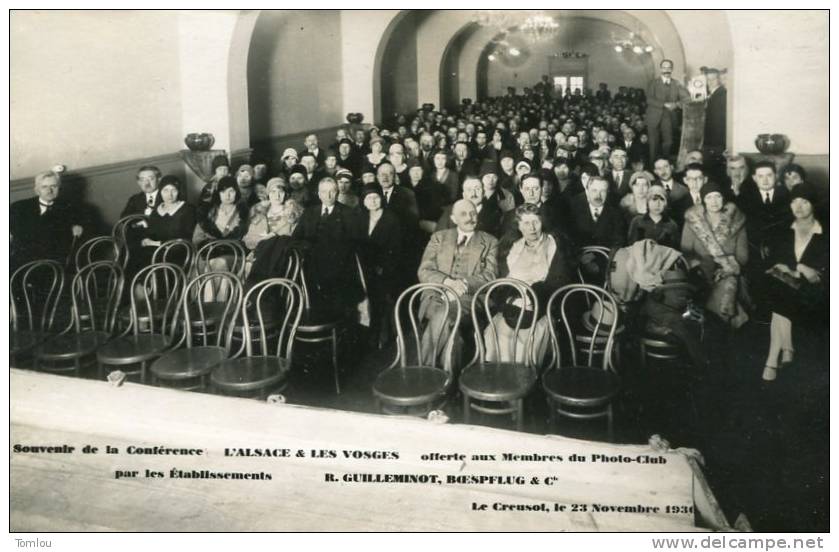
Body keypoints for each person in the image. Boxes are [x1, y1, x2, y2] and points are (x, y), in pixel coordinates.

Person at [484, 204, 575, 365]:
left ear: (542, 222)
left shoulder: (556, 245)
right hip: (512, 307)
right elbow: (501, 284)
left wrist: (533, 298)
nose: (532, 228)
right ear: (518, 226)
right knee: (499, 334)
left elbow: (560, 281)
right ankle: (504, 382)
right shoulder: (511, 247)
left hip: (541, 307)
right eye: (526, 223)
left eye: (536, 222)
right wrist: (512, 299)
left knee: (527, 341)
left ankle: (524, 382)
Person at [417, 199, 498, 368]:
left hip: (470, 297)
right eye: (463, 214)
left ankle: (423, 371)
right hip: (437, 295)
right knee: (455, 336)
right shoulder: (439, 237)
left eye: (473, 213)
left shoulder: (490, 241)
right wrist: (447, 282)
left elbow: (490, 275)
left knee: (445, 316)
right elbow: (424, 270)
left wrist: (463, 284)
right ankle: (450, 383)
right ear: (453, 219)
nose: (470, 218)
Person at [760, 184, 828, 381]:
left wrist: (800, 269)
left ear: (813, 205)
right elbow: (778, 261)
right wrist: (792, 269)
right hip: (789, 286)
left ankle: (775, 357)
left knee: (780, 297)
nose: (799, 207)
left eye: (805, 202)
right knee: (780, 290)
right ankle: (783, 352)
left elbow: (823, 273)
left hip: (817, 291)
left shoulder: (827, 232)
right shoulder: (784, 230)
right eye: (794, 202)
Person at [292, 177, 363, 319]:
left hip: (338, 270)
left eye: (332, 191)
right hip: (310, 268)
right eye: (324, 192)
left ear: (337, 193)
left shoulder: (348, 213)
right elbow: (296, 238)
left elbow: (353, 244)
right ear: (318, 194)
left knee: (335, 310)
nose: (328, 196)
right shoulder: (309, 212)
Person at [680, 181, 749, 328]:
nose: (714, 201)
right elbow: (686, 253)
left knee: (728, 285)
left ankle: (717, 330)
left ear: (723, 199)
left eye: (717, 196)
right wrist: (703, 266)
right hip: (700, 274)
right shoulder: (693, 220)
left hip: (729, 273)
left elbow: (743, 256)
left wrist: (726, 269)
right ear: (703, 200)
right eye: (709, 197)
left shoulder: (737, 220)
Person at [356, 184, 403, 349]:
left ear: (381, 199)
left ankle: (382, 335)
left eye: (376, 197)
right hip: (362, 268)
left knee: (380, 297)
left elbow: (396, 249)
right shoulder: (360, 217)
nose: (373, 201)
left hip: (384, 269)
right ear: (364, 201)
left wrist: (382, 267)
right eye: (369, 198)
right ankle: (365, 334)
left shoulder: (392, 219)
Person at [10, 170, 85, 270]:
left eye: (53, 186)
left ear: (59, 188)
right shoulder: (19, 207)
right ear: (37, 190)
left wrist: (78, 227)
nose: (49, 191)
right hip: (20, 263)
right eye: (44, 187)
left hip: (52, 265)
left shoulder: (69, 208)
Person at [192, 176, 250, 273]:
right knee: (199, 265)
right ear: (218, 193)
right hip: (210, 252)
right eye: (223, 192)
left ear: (236, 192)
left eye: (231, 191)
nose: (227, 195)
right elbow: (197, 238)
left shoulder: (243, 213)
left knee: (218, 263)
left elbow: (248, 239)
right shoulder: (210, 213)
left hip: (234, 254)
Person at [136, 175, 196, 269]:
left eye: (173, 190)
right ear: (160, 192)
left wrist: (157, 244)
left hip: (178, 251)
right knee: (136, 254)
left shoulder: (187, 209)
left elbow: (186, 237)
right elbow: (151, 232)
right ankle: (142, 283)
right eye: (165, 190)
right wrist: (146, 239)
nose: (170, 195)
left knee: (156, 258)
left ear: (179, 191)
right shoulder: (157, 210)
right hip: (158, 249)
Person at [645, 59, 689, 165]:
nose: (666, 70)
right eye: (664, 68)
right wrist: (664, 104)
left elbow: (687, 99)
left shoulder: (676, 84)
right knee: (653, 144)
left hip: (669, 117)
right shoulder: (653, 83)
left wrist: (676, 104)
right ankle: (652, 167)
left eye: (669, 68)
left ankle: (664, 164)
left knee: (668, 142)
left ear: (672, 69)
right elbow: (649, 99)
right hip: (653, 117)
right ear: (660, 69)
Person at [567, 176, 626, 248]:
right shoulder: (573, 211)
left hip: (607, 256)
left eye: (603, 191)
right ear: (587, 191)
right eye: (594, 190)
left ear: (608, 192)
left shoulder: (617, 213)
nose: (598, 195)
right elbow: (569, 240)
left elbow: (619, 241)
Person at [437, 176, 502, 238]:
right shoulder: (450, 211)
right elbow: (438, 239)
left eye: (477, 189)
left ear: (484, 193)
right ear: (464, 194)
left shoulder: (495, 213)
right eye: (469, 189)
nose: (473, 193)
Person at [243, 178, 294, 251]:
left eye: (281, 192)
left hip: (281, 254)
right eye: (273, 192)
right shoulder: (259, 212)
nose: (277, 196)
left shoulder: (292, 213)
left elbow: (294, 236)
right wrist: (261, 240)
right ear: (268, 194)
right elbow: (249, 238)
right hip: (258, 252)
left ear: (285, 194)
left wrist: (272, 237)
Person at [627, 184, 680, 249]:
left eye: (662, 200)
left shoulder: (671, 225)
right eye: (654, 199)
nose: (657, 204)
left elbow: (674, 251)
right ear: (648, 202)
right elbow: (631, 246)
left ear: (665, 204)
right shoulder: (637, 221)